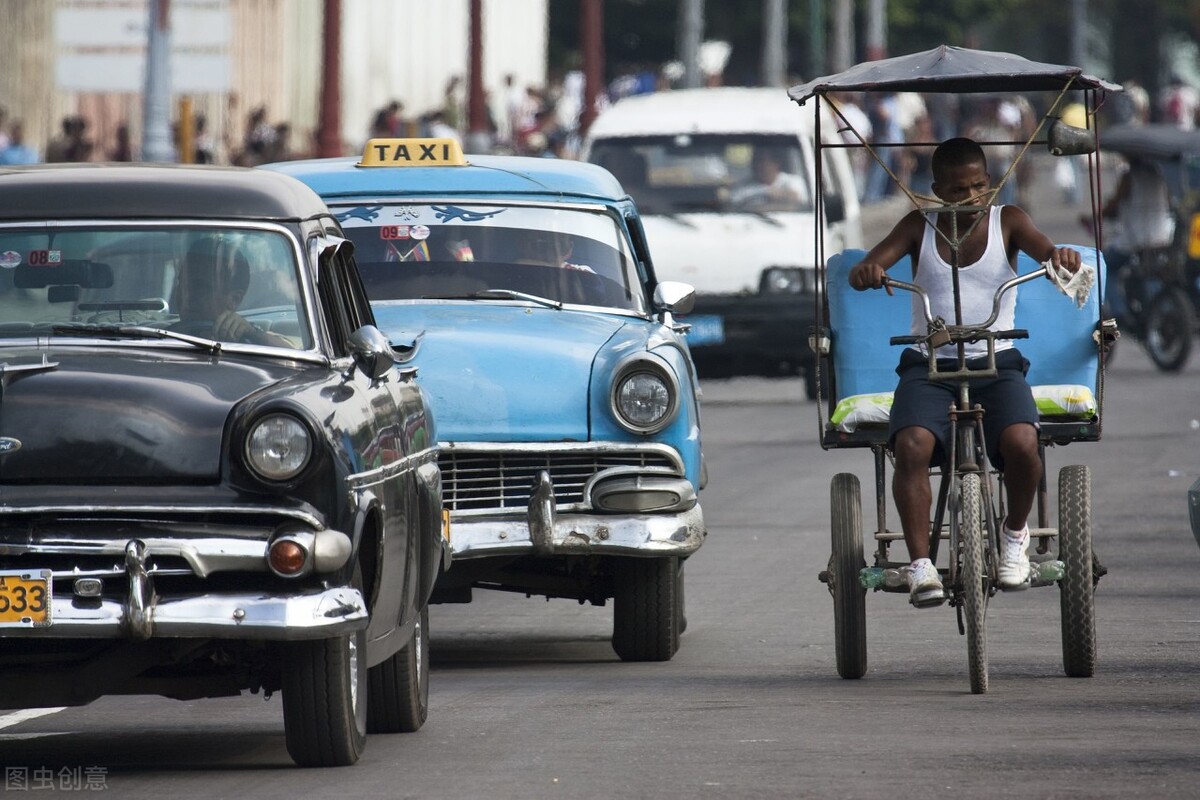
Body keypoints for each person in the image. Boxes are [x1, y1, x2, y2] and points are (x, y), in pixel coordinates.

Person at [847, 137, 1082, 608]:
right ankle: (920, 566)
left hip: (999, 362)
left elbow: (1047, 251)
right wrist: (868, 271)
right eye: (957, 191)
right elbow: (872, 262)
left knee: (1022, 444)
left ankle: (1014, 535)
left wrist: (1062, 257)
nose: (970, 199)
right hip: (930, 365)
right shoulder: (919, 225)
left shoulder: (1008, 220)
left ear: (989, 185)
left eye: (978, 187)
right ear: (936, 190)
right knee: (911, 445)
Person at [175, 238, 295, 347]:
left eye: (199, 287)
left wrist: (253, 334)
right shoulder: (161, 337)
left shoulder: (250, 341)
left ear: (234, 299)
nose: (185, 295)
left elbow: (292, 354)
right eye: (182, 285)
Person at [729, 146, 807, 207]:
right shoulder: (744, 185)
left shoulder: (792, 181)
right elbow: (733, 199)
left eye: (762, 161)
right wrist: (765, 191)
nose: (757, 166)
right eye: (755, 161)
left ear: (776, 163)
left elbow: (799, 197)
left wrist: (780, 195)